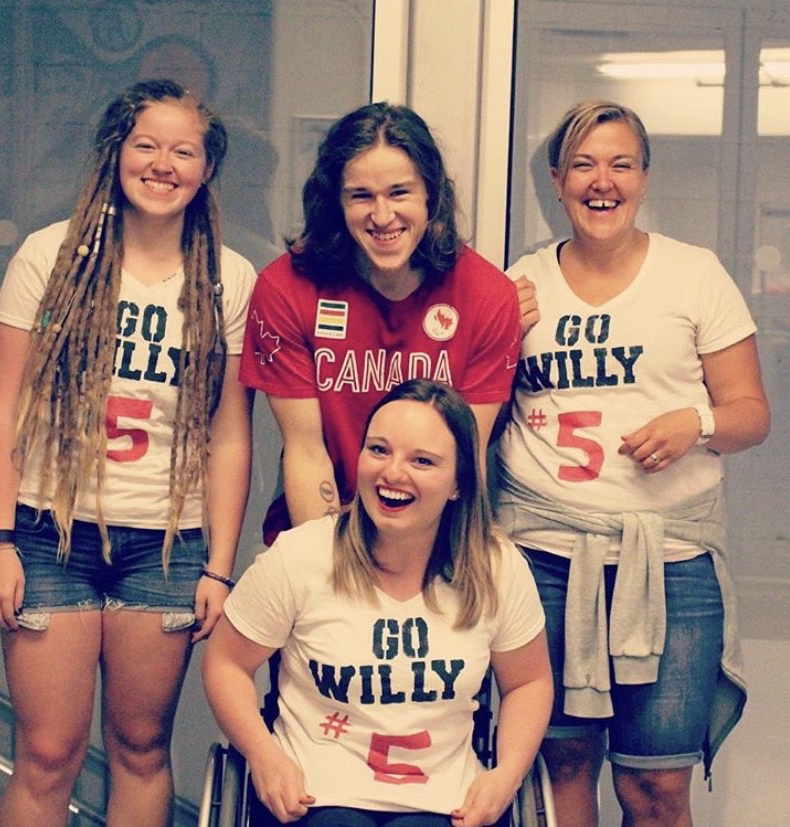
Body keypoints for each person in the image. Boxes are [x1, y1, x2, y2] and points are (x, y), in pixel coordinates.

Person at [0, 78, 255, 827]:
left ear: (205, 168)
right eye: (147, 145)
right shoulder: (49, 257)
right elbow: (6, 410)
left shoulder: (231, 278)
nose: (163, 164)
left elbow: (231, 432)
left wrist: (221, 566)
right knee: (47, 752)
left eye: (183, 150)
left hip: (164, 547)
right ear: (116, 153)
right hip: (46, 536)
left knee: (139, 746)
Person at [495, 99, 771, 827]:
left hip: (671, 561)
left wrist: (697, 422)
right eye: (583, 164)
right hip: (543, 557)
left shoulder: (695, 274)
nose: (601, 180)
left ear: (644, 178)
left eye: (620, 163)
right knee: (560, 773)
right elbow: (474, 414)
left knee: (656, 788)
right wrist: (495, 337)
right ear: (556, 181)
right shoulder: (519, 284)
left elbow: (752, 414)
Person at [203, 378, 552, 827]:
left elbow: (529, 682)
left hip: (445, 801)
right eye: (379, 450)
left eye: (422, 461)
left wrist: (505, 776)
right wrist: (264, 755)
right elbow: (226, 663)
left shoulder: (495, 566)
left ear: (458, 484)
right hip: (315, 795)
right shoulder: (301, 556)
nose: (392, 473)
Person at [239, 101, 525, 546]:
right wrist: (334, 567)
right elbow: (307, 452)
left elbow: (460, 462)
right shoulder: (286, 287)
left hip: (434, 544)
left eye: (399, 192)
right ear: (336, 201)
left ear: (431, 195)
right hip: (317, 530)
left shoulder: (488, 295)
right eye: (361, 196)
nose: (382, 215)